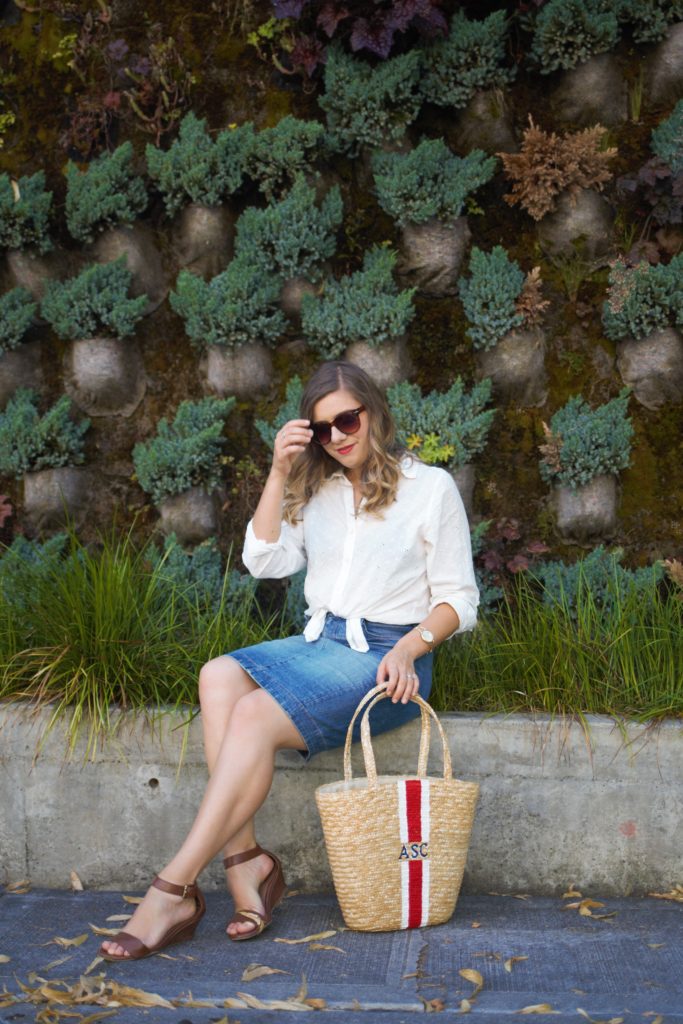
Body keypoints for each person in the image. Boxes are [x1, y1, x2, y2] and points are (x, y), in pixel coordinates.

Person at [99, 360, 479, 960]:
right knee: (217, 675)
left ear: (375, 411)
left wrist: (411, 646)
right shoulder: (321, 488)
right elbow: (264, 563)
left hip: (390, 657)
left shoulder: (429, 489)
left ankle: (173, 888)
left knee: (251, 715)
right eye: (324, 429)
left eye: (348, 420)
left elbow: (458, 598)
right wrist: (279, 472)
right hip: (321, 644)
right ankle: (246, 861)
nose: (339, 437)